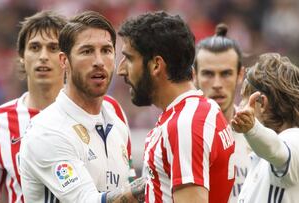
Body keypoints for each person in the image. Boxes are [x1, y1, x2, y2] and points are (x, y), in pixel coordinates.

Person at [0, 10, 131, 203]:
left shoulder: (110, 110)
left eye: (52, 47)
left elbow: (126, 177)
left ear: (64, 58)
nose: (43, 57)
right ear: (22, 56)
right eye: (35, 48)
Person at [19, 11, 144, 203]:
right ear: (64, 61)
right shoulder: (47, 131)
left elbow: (128, 183)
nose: (99, 62)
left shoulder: (116, 122)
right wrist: (152, 183)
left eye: (106, 50)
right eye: (87, 51)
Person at [117, 11, 235, 203]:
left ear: (156, 65)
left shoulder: (184, 125)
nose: (120, 69)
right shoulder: (201, 110)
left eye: (129, 58)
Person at [193, 24, 250, 202]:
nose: (217, 83)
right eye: (208, 74)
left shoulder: (261, 134)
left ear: (240, 75)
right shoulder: (183, 134)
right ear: (194, 76)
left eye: (226, 74)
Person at [231, 53, 299, 203]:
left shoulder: (295, 138)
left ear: (262, 103)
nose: (240, 106)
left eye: (244, 97)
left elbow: (277, 151)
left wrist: (252, 129)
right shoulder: (260, 156)